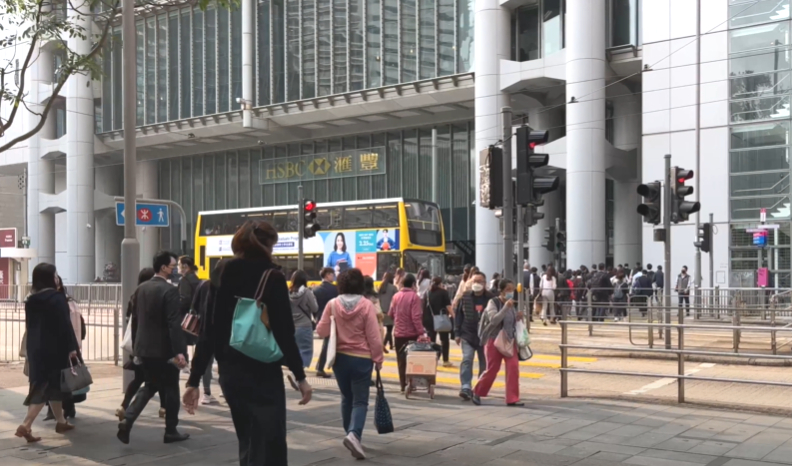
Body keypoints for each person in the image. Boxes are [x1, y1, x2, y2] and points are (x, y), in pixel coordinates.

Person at [184, 220, 312, 466]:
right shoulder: (272, 276)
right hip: (263, 371)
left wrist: (194, 380)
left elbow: (208, 331)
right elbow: (285, 332)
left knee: (248, 438)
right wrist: (300, 376)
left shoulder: (221, 272)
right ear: (267, 246)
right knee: (271, 443)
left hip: (230, 373)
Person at [118, 251, 189, 445]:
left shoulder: (141, 289)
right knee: (171, 388)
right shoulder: (170, 291)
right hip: (165, 350)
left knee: (150, 385)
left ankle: (128, 420)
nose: (174, 270)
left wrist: (136, 348)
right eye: (172, 267)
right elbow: (173, 324)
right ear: (164, 267)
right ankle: (171, 430)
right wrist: (179, 351)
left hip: (144, 349)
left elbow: (135, 321)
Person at [316, 268, 384, 460]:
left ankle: (350, 434)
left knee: (347, 397)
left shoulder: (332, 304)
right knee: (360, 400)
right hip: (362, 359)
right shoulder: (366, 305)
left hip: (340, 359)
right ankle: (354, 435)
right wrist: (378, 359)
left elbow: (321, 331)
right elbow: (374, 336)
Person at [15, 263, 79, 443]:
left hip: (35, 348)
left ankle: (61, 421)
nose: (57, 278)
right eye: (55, 275)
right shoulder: (58, 298)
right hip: (55, 350)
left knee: (52, 386)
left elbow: (30, 326)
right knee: (43, 388)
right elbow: (65, 325)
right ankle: (26, 425)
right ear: (50, 278)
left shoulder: (31, 300)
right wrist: (72, 348)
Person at [472, 279, 523, 407]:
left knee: (513, 367)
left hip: (509, 341)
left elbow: (510, 323)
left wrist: (518, 317)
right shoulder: (493, 302)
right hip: (494, 340)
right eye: (508, 290)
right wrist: (506, 308)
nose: (510, 292)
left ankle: (512, 398)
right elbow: (494, 320)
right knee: (492, 369)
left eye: (512, 290)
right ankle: (477, 391)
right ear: (501, 291)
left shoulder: (512, 305)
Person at [116, 268, 156, 420]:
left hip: (138, 344)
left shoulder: (135, 296)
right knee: (160, 380)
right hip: (152, 345)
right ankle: (164, 408)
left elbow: (129, 319)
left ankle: (124, 405)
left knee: (138, 378)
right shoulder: (151, 296)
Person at [192, 260, 228, 405]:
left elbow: (194, 306)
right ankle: (225, 390)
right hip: (226, 332)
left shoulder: (203, 285)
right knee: (224, 363)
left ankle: (206, 393)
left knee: (206, 362)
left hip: (205, 329)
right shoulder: (230, 286)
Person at [453, 271, 490, 400]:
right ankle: (466, 387)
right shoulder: (465, 297)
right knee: (467, 359)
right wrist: (457, 333)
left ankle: (480, 387)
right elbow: (458, 316)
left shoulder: (491, 298)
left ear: (485, 283)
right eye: (474, 281)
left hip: (485, 336)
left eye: (479, 281)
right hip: (467, 334)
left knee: (484, 363)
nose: (477, 284)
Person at [388, 274, 426, 392]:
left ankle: (402, 384)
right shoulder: (414, 297)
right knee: (412, 360)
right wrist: (421, 332)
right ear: (413, 284)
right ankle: (411, 383)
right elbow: (416, 317)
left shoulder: (395, 296)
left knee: (401, 360)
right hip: (411, 334)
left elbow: (390, 313)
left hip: (398, 334)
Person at [289, 270, 319, 371]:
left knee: (293, 350)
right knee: (305, 351)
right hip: (305, 325)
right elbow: (315, 308)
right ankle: (299, 373)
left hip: (291, 326)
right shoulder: (307, 292)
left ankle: (295, 372)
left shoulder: (288, 292)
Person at [314, 267, 339, 378]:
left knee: (327, 342)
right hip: (333, 319)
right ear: (327, 275)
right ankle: (321, 368)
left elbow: (314, 307)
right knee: (331, 343)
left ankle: (320, 367)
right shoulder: (335, 289)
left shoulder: (316, 290)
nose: (333, 277)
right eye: (332, 274)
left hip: (320, 318)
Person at [424, 277, 453, 367]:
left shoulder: (428, 292)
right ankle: (445, 360)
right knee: (444, 340)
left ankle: (431, 360)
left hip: (429, 319)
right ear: (440, 284)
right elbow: (448, 306)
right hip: (441, 319)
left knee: (431, 340)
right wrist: (454, 315)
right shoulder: (443, 292)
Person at [379, 272, 398, 352]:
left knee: (387, 329)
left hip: (381, 310)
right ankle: (383, 344)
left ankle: (390, 344)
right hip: (390, 311)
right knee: (390, 329)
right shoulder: (393, 288)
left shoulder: (380, 287)